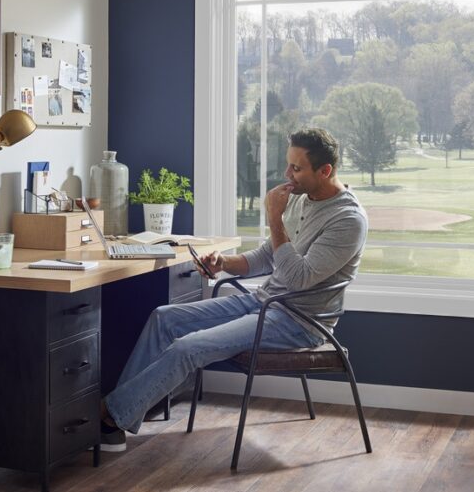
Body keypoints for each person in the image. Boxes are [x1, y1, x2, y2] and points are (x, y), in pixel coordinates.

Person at [99, 128, 367, 451]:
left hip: (299, 322)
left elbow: (297, 278)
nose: (287, 175)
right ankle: (120, 418)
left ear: (325, 171)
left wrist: (274, 219)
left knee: (189, 348)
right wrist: (223, 262)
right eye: (288, 165)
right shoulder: (301, 200)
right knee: (163, 318)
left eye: (296, 168)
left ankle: (107, 419)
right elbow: (269, 257)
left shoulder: (348, 220)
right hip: (264, 303)